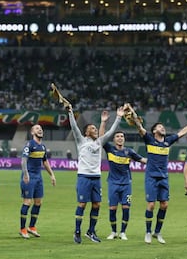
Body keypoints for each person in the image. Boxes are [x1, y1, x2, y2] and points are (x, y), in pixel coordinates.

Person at [131, 106, 187, 244]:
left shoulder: (168, 141)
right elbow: (140, 128)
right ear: (154, 131)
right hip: (151, 177)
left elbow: (182, 132)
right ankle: (148, 232)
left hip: (164, 177)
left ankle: (157, 232)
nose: (163, 128)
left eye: (163, 127)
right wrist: (134, 118)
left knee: (164, 205)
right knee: (151, 205)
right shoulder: (149, 139)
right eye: (160, 127)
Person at [67, 104, 125, 244]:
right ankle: (77, 231)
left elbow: (110, 132)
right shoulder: (81, 141)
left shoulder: (99, 142)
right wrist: (70, 112)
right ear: (86, 132)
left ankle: (91, 231)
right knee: (82, 204)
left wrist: (118, 117)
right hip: (83, 177)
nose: (95, 130)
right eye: (92, 128)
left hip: (96, 178)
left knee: (97, 205)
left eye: (95, 128)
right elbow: (74, 127)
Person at [98, 117, 147, 240]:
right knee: (113, 208)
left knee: (126, 208)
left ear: (124, 139)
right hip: (113, 183)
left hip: (126, 184)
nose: (120, 138)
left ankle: (123, 232)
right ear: (114, 139)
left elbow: (143, 160)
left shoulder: (129, 152)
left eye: (122, 136)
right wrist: (103, 122)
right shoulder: (109, 149)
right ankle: (114, 232)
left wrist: (156, 159)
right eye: (117, 136)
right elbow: (101, 136)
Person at [19, 124, 56, 239]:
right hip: (29, 177)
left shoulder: (43, 147)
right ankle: (22, 229)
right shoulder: (30, 144)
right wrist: (25, 174)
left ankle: (32, 227)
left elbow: (45, 162)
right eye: (37, 128)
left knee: (38, 202)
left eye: (41, 128)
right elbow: (23, 160)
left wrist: (52, 175)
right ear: (32, 132)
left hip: (38, 177)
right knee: (27, 202)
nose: (39, 129)